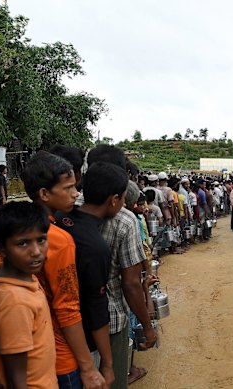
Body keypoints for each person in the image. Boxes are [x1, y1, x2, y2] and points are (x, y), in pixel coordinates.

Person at [21, 151, 106, 389]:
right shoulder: (58, 239)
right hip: (61, 357)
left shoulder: (14, 232)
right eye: (68, 188)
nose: (76, 193)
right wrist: (88, 368)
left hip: (28, 350)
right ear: (44, 194)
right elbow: (67, 308)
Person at [87, 146, 157, 389]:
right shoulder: (124, 220)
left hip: (75, 323)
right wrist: (147, 326)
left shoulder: (67, 211)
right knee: (113, 378)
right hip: (113, 320)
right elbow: (130, 283)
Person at [56, 162, 130, 388]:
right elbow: (96, 306)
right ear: (114, 200)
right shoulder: (94, 246)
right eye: (124, 198)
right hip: (82, 344)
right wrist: (107, 365)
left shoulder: (60, 218)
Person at [0, 201, 57, 388]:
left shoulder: (23, 279)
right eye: (23, 243)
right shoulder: (14, 302)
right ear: (1, 249)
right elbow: (17, 380)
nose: (36, 252)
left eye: (41, 240)